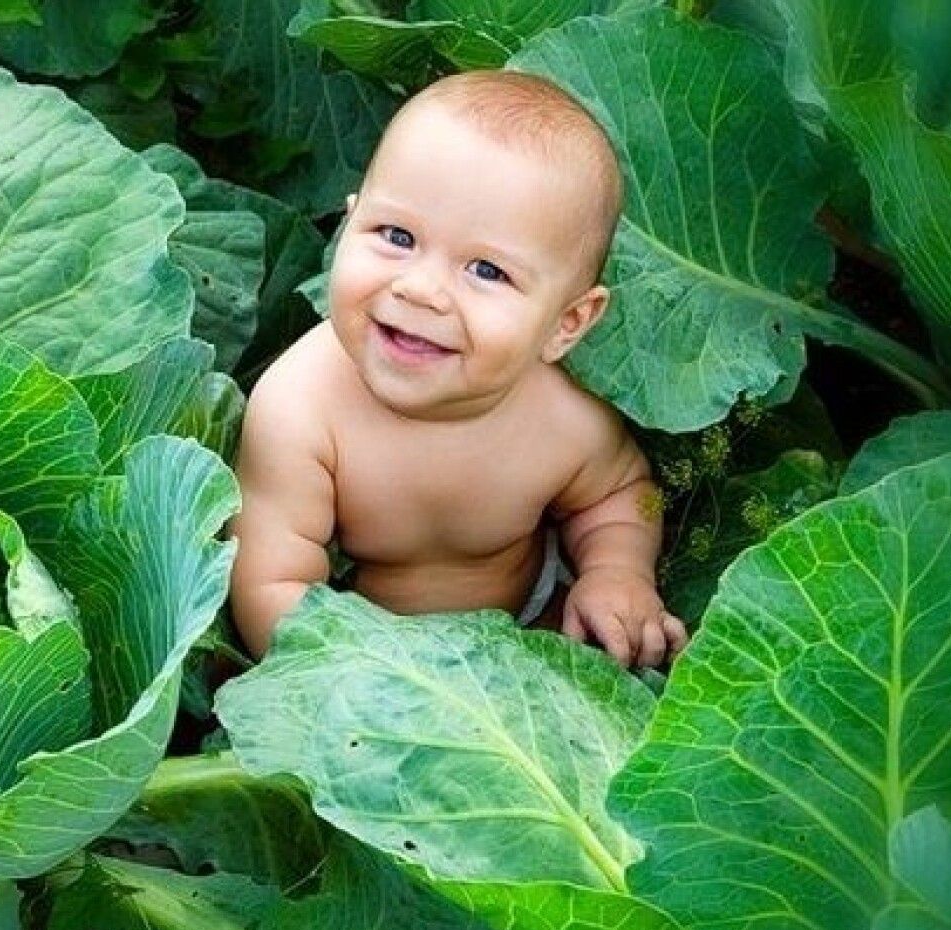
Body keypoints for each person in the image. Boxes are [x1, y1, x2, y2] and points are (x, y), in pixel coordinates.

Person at [227, 69, 688, 668]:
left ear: (567, 324)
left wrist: (617, 572)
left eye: (488, 272)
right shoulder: (300, 408)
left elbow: (619, 494)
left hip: (531, 621)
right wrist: (373, 684)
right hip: (363, 656)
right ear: (347, 224)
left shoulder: (563, 417)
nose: (420, 289)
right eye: (396, 235)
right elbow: (271, 587)